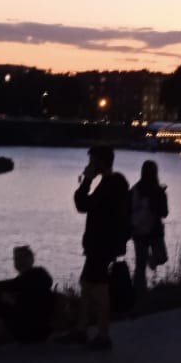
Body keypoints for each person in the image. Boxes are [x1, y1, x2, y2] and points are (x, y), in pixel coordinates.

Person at [67, 145, 129, 350]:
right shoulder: (115, 183)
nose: (89, 165)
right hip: (103, 244)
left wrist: (86, 180)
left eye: (92, 161)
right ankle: (82, 329)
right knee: (86, 284)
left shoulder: (110, 184)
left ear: (100, 162)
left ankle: (103, 336)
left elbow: (83, 204)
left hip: (102, 245)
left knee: (100, 289)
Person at [0, 246, 55, 343]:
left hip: (34, 332)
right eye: (16, 258)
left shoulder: (38, 277)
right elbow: (14, 286)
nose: (19, 261)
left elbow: (11, 285)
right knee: (0, 296)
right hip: (36, 330)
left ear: (31, 259)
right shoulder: (28, 278)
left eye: (23, 257)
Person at [129, 160, 170, 291]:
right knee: (161, 257)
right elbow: (164, 213)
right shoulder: (159, 191)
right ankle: (140, 291)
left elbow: (128, 210)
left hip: (138, 230)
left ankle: (138, 291)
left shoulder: (135, 189)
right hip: (154, 230)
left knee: (140, 265)